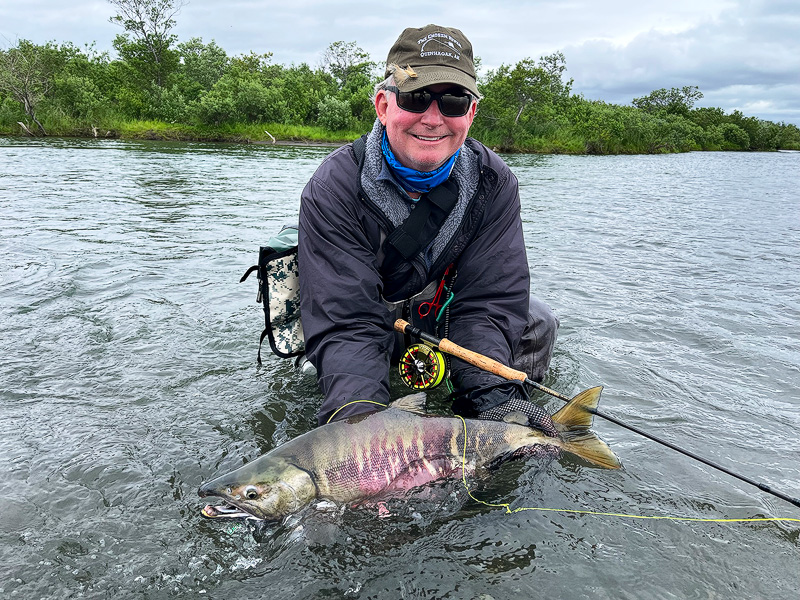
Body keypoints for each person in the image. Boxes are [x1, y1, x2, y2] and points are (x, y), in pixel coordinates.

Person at [298, 24, 559, 433]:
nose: (433, 119)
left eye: (453, 101)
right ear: (383, 105)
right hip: (372, 316)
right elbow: (348, 322)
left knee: (537, 320)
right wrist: (361, 425)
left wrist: (492, 404)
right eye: (416, 97)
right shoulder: (333, 187)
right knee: (354, 393)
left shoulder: (494, 183)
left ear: (470, 114)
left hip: (443, 318)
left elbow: (487, 302)